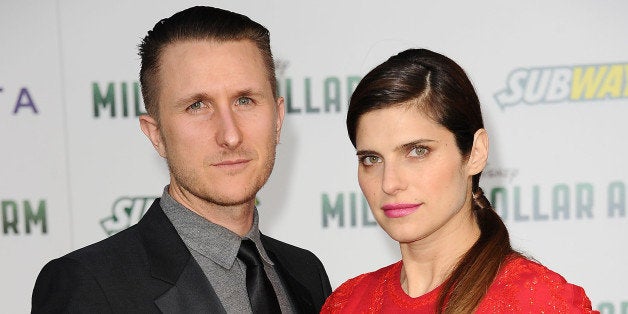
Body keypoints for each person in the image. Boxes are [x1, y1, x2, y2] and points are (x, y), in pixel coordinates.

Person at [32, 6, 331, 313]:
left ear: (278, 119)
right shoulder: (88, 285)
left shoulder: (306, 274)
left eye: (245, 100)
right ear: (156, 133)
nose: (230, 136)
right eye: (197, 106)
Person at [321, 48, 597, 313]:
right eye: (371, 159)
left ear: (476, 153)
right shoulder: (347, 303)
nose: (389, 183)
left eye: (418, 151)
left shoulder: (540, 302)